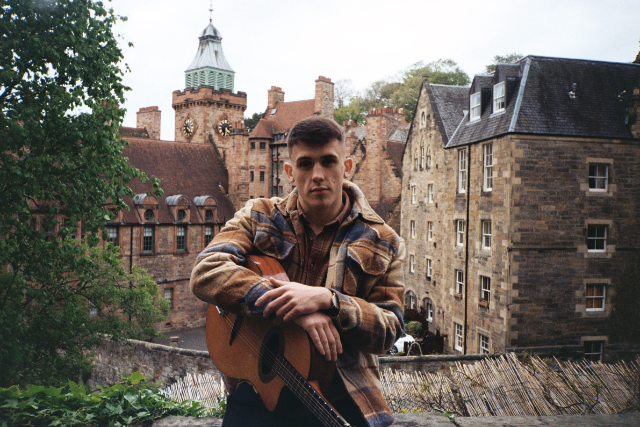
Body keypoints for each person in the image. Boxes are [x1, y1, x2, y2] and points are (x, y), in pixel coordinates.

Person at [190, 116, 405, 427]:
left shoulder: (384, 240)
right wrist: (292, 309)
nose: (317, 175)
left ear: (346, 166)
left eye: (328, 161)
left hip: (341, 387)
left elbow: (389, 329)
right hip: (262, 379)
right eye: (305, 164)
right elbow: (206, 270)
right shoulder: (260, 215)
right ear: (290, 172)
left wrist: (328, 300)